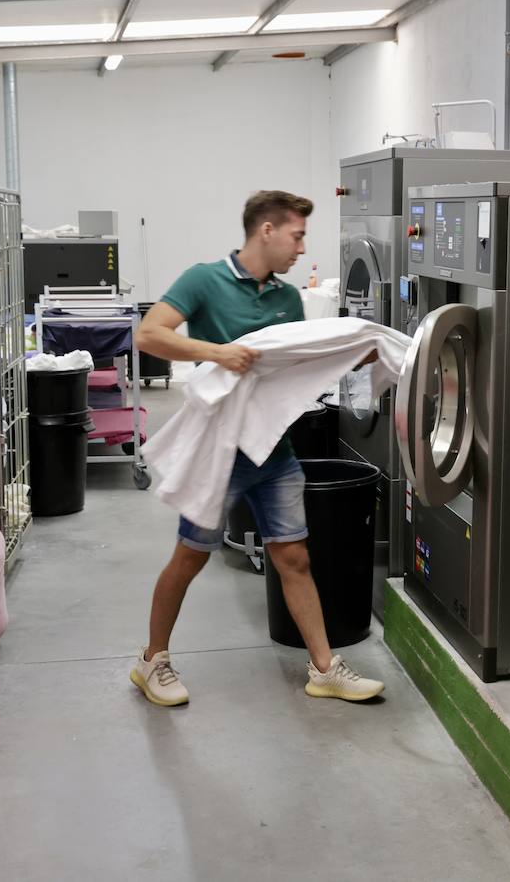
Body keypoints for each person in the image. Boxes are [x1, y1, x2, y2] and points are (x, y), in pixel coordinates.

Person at [129, 190, 385, 707]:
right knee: (188, 559)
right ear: (266, 230)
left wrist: (349, 357)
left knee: (293, 558)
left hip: (274, 454)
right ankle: (151, 661)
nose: (300, 246)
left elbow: (290, 370)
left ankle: (323, 668)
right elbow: (149, 335)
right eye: (297, 235)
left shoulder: (287, 299)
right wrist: (215, 352)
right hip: (219, 456)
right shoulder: (205, 280)